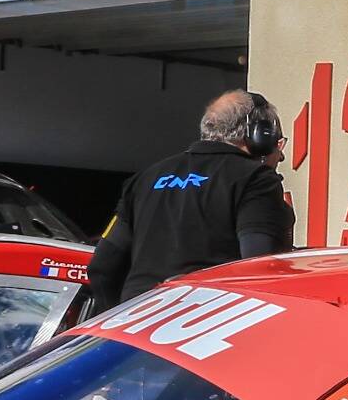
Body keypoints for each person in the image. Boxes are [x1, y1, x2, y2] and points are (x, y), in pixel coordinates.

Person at [84, 90, 296, 312]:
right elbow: (258, 268)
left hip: (138, 322)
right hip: (206, 322)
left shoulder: (146, 178)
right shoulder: (256, 179)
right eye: (276, 140)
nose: (279, 155)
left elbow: (103, 267)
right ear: (259, 135)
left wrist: (119, 315)